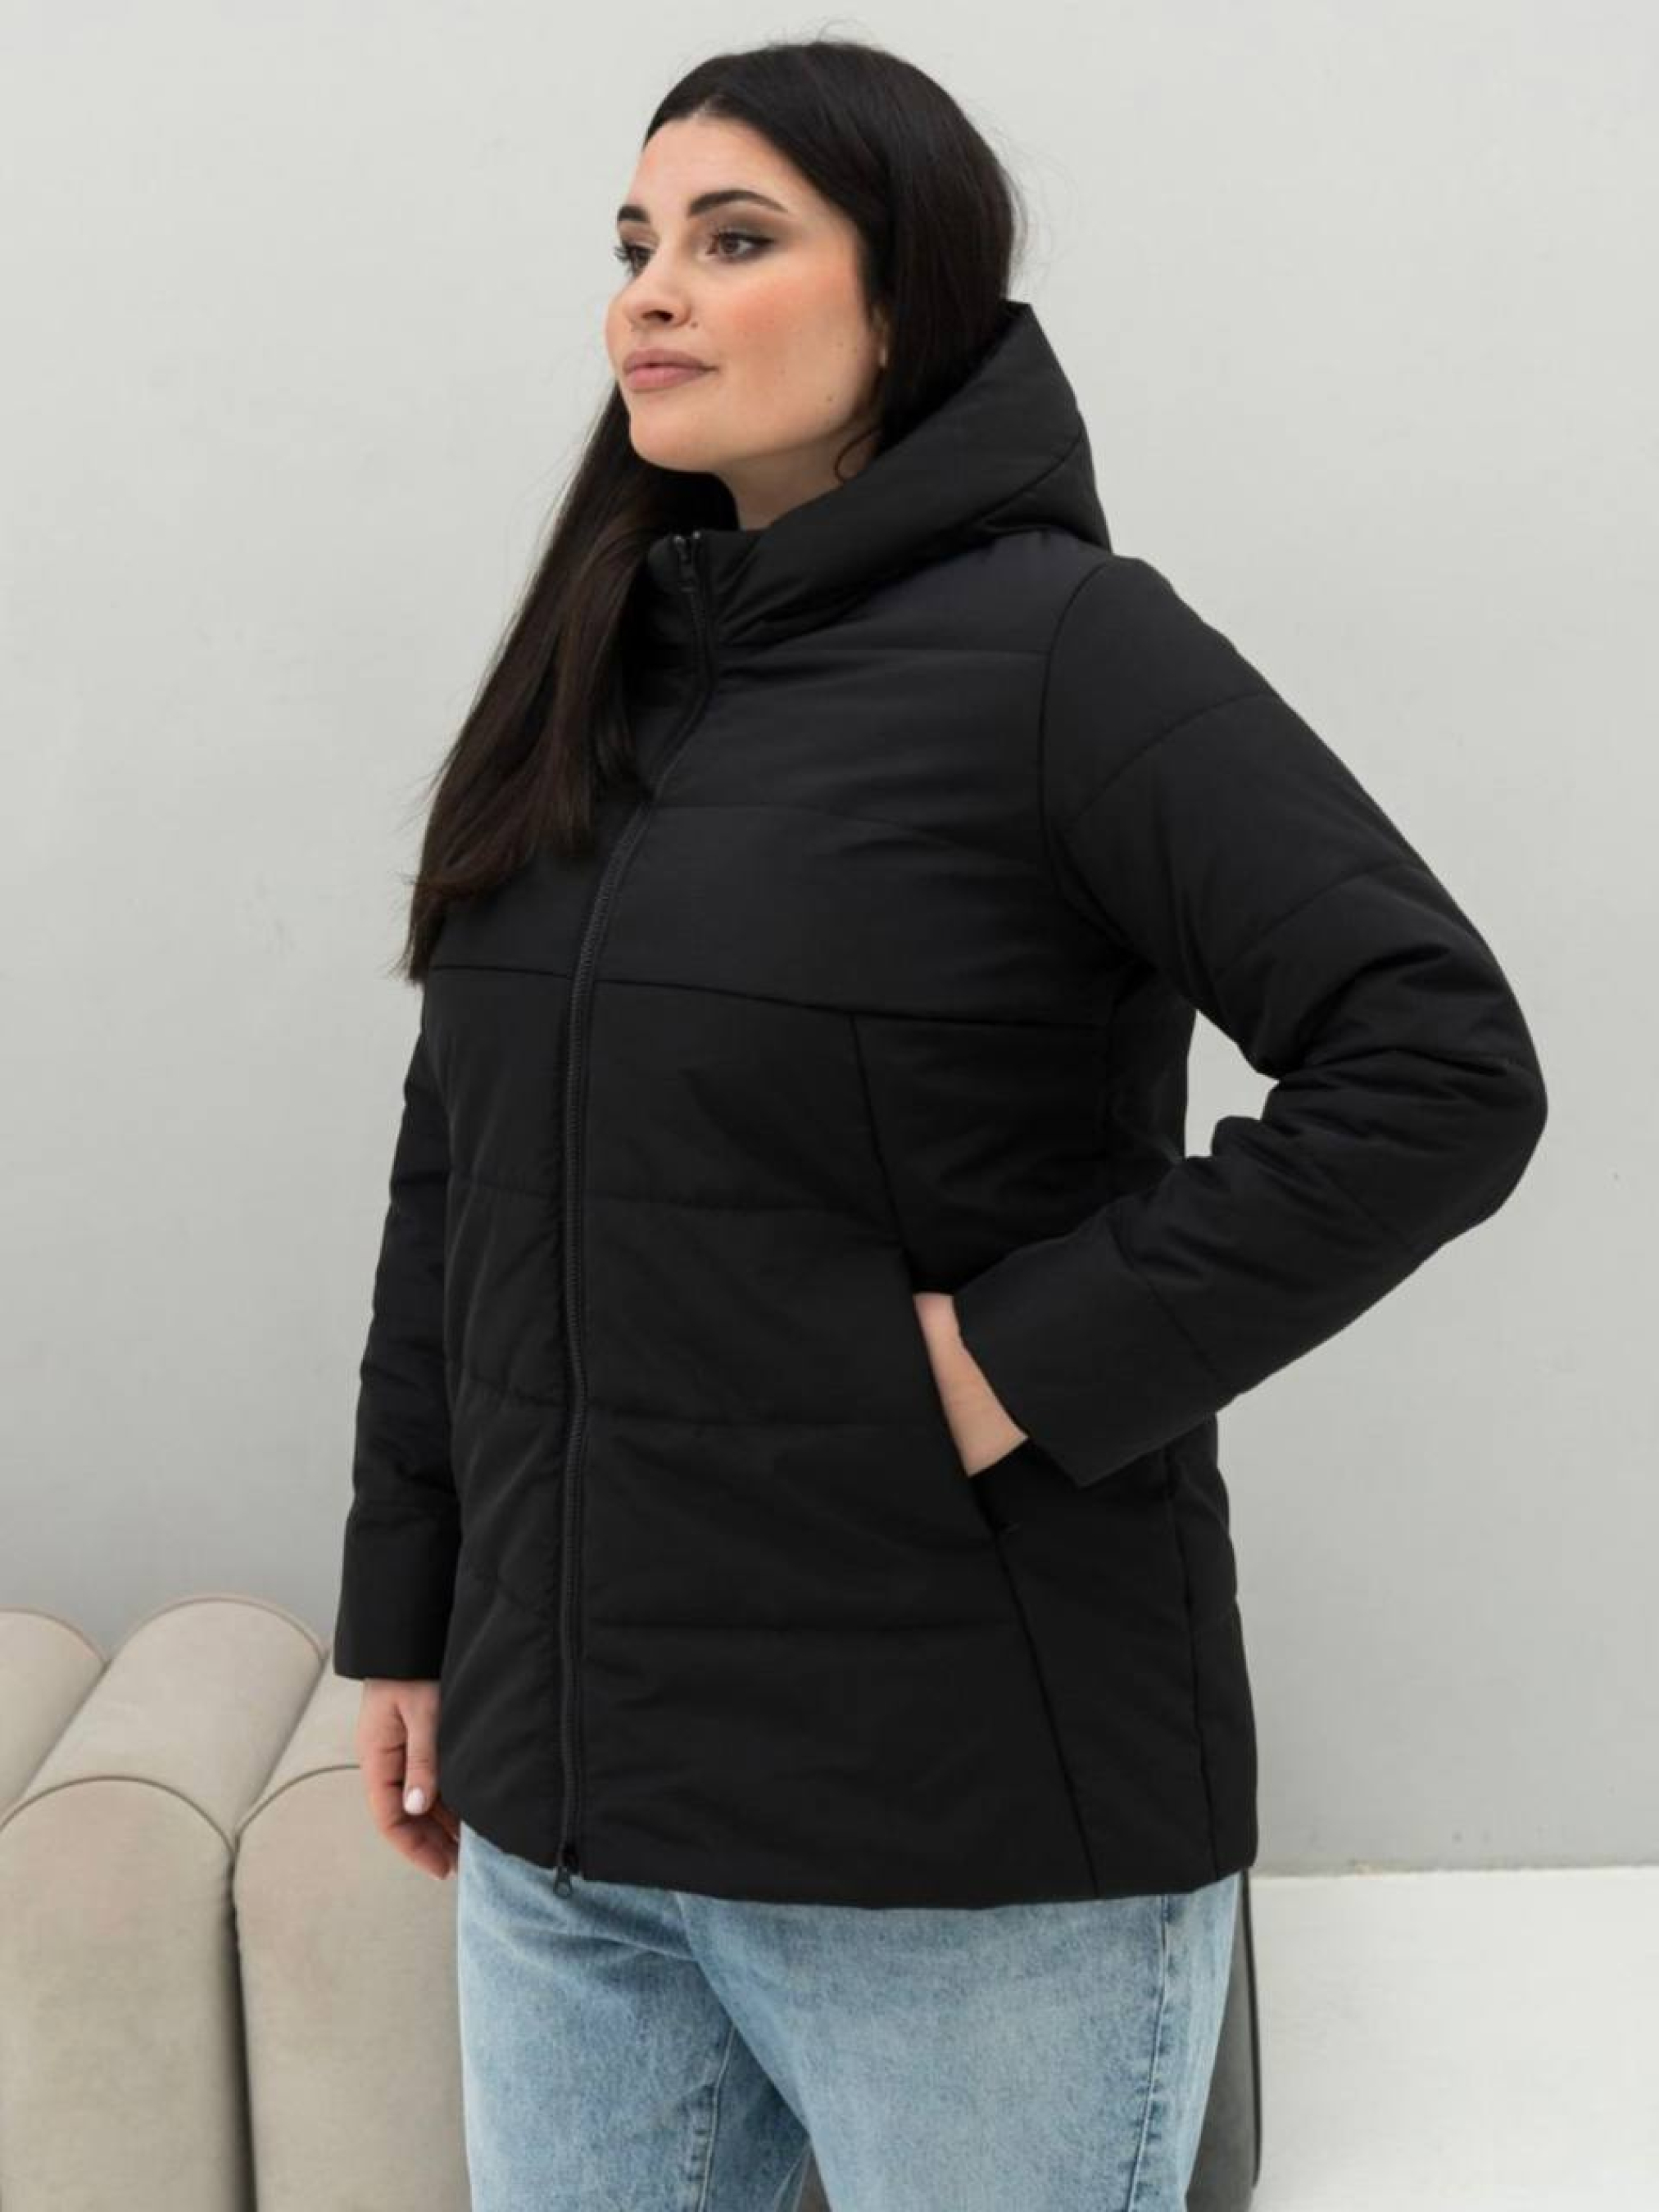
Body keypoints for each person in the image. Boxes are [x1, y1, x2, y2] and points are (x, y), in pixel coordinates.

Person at [329, 36, 1548, 2212]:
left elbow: (1436, 1061)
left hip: (962, 1858)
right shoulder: (591, 680)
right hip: (571, 1842)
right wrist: (407, 1608)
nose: (650, 292)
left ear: (903, 302)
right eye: (634, 243)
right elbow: (460, 1175)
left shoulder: (1074, 654)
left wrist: (1003, 1368)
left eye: (734, 238)